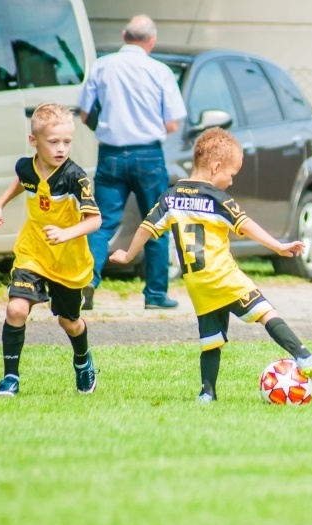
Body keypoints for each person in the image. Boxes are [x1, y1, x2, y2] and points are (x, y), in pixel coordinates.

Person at [109, 127, 312, 402]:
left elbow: (147, 228)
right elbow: (246, 226)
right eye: (231, 175)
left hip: (198, 285)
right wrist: (278, 245)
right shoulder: (217, 199)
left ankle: (206, 393)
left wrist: (127, 255)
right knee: (265, 312)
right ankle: (304, 356)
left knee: (211, 341)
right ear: (216, 166)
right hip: (223, 276)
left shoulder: (171, 196)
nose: (232, 182)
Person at [78, 14, 187, 310]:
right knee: (156, 221)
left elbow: (85, 115)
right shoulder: (160, 71)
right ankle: (155, 294)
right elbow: (173, 124)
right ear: (151, 41)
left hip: (110, 155)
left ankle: (87, 281)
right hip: (149, 156)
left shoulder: (101, 66)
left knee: (100, 222)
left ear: (124, 34)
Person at [0, 104, 101, 397]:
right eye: (53, 142)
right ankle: (10, 379)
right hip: (33, 252)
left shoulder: (74, 177)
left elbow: (95, 220)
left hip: (69, 261)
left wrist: (66, 233)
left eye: (67, 141)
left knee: (70, 322)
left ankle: (82, 360)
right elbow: (22, 180)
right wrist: (0, 204)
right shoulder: (27, 166)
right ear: (34, 141)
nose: (61, 148)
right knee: (16, 309)